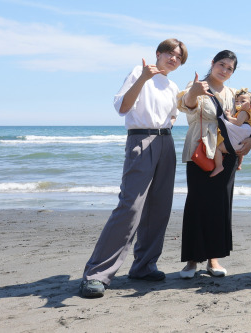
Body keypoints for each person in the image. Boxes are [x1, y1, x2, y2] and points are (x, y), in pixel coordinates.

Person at [79, 38, 187, 299]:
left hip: (166, 142)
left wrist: (168, 124)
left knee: (159, 208)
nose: (174, 59)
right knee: (130, 207)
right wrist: (143, 78)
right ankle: (96, 274)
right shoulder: (139, 72)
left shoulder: (172, 86)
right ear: (158, 53)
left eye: (179, 57)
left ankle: (144, 266)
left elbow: (173, 114)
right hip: (141, 139)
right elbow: (122, 107)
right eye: (170, 53)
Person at [177, 50, 251, 279]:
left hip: (227, 152)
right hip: (200, 149)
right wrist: (194, 91)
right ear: (212, 63)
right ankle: (192, 260)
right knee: (196, 203)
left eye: (230, 68)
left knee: (221, 203)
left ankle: (213, 258)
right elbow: (187, 105)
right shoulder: (197, 86)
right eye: (221, 64)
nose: (224, 70)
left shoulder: (234, 94)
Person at [210, 88, 251, 176]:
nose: (239, 103)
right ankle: (239, 164)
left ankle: (219, 166)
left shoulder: (243, 112)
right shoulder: (243, 113)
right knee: (240, 153)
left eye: (243, 101)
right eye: (236, 101)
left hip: (235, 141)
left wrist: (228, 116)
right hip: (241, 142)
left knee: (218, 149)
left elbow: (238, 122)